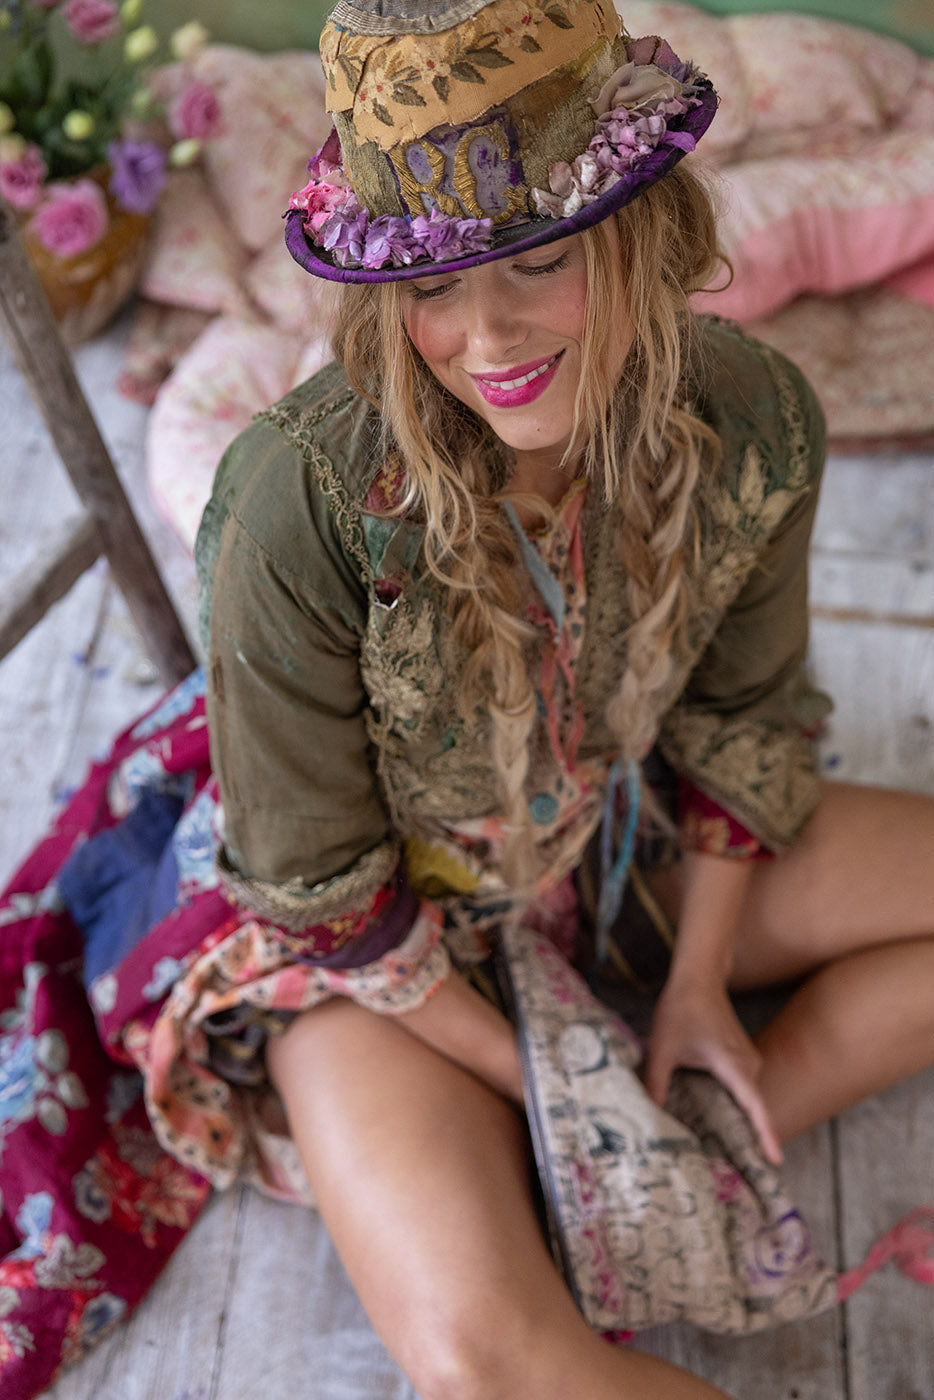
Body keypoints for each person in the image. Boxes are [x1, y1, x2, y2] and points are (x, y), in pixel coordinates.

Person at [2, 2, 932, 1398]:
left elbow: (742, 718)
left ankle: (697, 1117)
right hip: (376, 947)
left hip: (613, 828)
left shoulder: (754, 417)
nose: (485, 335)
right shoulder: (293, 502)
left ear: (636, 232)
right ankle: (591, 1153)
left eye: (539, 259)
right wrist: (553, 1086)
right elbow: (314, 886)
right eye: (432, 284)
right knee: (489, 1364)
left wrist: (693, 991)